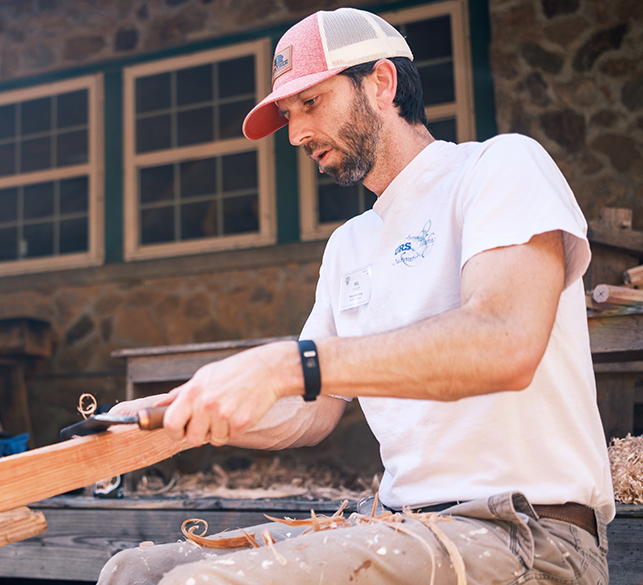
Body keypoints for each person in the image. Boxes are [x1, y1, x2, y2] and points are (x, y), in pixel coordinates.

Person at [98, 7, 613, 585]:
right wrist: (173, 414)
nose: (296, 134)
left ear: (382, 83)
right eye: (289, 115)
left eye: (311, 103)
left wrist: (285, 363)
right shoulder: (349, 244)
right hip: (402, 526)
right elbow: (310, 409)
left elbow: (505, 341)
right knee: (133, 570)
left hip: (531, 535)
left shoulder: (499, 167)